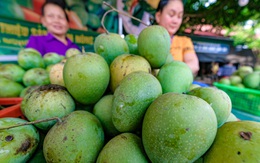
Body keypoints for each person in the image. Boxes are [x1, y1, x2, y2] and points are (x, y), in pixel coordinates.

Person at [155, 0, 199, 75]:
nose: (175, 21)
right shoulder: (148, 40)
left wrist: (171, 73)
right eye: (171, 14)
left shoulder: (185, 41)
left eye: (179, 16)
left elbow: (194, 65)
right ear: (158, 16)